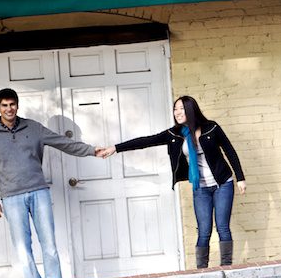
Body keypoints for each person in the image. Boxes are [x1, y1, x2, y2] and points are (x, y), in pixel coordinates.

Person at [100, 96, 245, 268]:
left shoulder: (211, 128)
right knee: (204, 232)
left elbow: (230, 150)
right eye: (175, 109)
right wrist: (115, 148)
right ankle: (202, 274)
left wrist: (240, 178)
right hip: (201, 188)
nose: (177, 112)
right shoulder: (174, 134)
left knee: (222, 228)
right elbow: (147, 141)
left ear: (191, 110)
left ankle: (227, 270)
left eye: (181, 109)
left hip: (223, 183)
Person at [0, 88, 103, 278]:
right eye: (5, 105)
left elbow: (63, 143)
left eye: (12, 104)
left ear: (17, 105)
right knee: (22, 248)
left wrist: (91, 151)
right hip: (11, 197)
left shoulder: (33, 128)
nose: (9, 109)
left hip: (39, 191)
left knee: (49, 244)